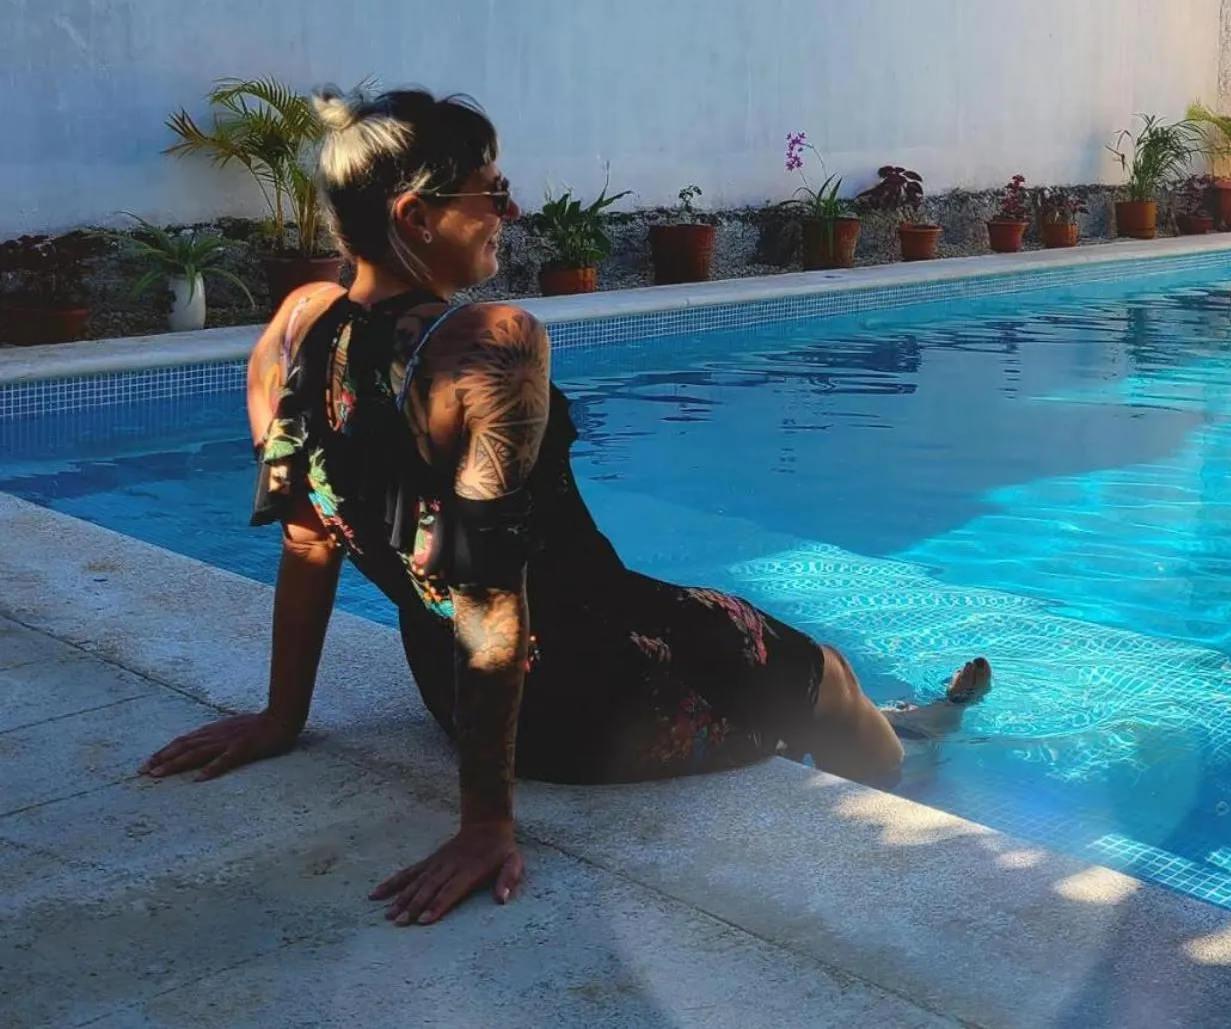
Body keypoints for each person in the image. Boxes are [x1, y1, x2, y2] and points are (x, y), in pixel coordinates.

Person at [141, 87, 990, 926]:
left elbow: (308, 540)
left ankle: (907, 721)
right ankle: (910, 780)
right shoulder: (488, 346)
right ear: (415, 217)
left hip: (446, 684)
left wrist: (282, 717)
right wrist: (485, 826)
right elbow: (488, 595)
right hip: (602, 694)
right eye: (490, 191)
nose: (508, 209)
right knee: (827, 673)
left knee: (786, 664)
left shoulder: (295, 325)